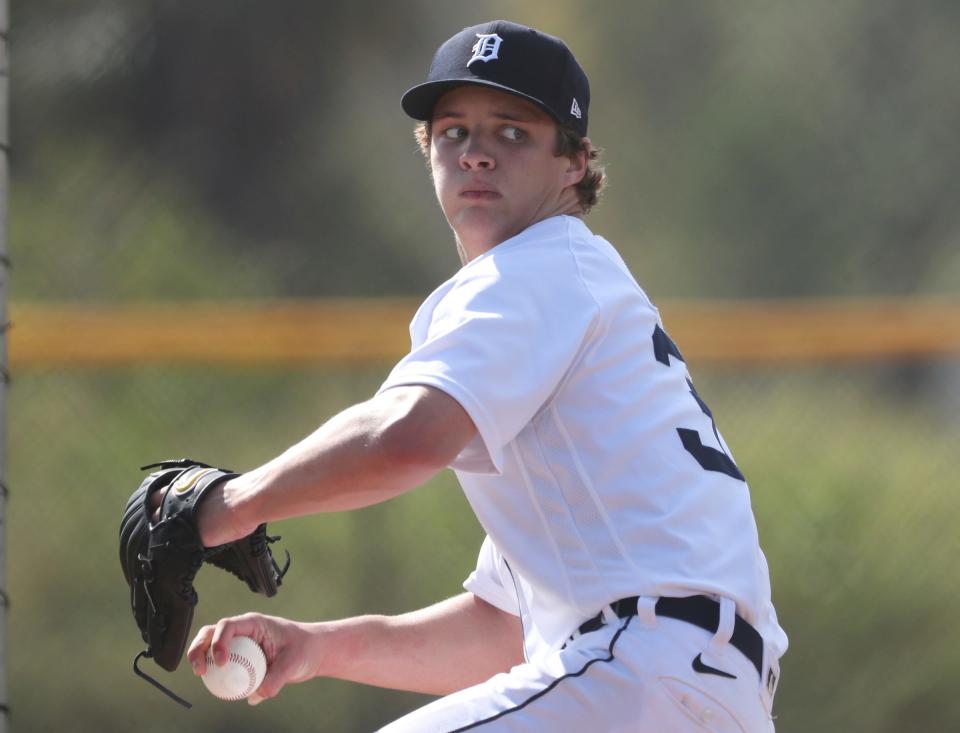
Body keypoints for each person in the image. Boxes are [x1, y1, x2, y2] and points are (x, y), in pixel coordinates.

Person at [184, 20, 787, 732]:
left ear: (575, 162)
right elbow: (504, 630)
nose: (476, 154)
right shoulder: (565, 295)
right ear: (428, 152)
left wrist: (227, 505)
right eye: (453, 133)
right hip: (686, 687)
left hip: (640, 668)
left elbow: (404, 437)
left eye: (512, 132)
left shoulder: (534, 269)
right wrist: (318, 646)